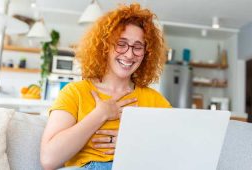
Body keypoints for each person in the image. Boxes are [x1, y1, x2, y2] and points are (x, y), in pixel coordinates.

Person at [40, 3, 171, 170]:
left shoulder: (155, 100)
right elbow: (49, 159)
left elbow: (175, 149)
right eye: (121, 43)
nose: (129, 54)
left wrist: (135, 145)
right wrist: (100, 114)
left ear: (146, 53)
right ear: (104, 46)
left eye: (138, 47)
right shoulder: (75, 92)